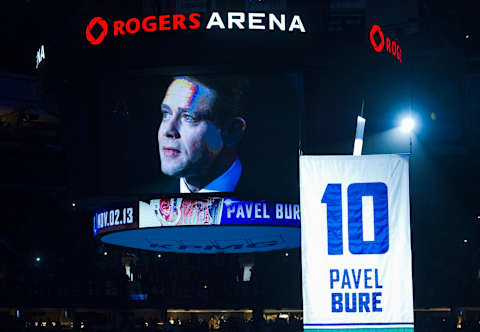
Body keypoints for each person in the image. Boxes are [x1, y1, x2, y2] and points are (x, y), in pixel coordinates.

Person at [158, 75, 247, 193]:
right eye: (166, 114)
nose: (168, 131)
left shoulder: (273, 198)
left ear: (232, 131)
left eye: (188, 117)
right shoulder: (140, 202)